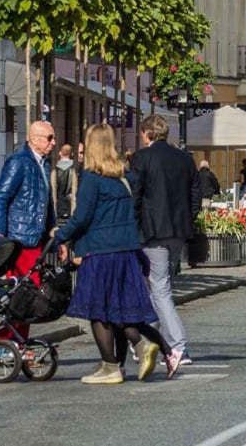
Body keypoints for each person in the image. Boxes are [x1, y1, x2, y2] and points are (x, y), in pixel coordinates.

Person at [55, 124, 169, 385]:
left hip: (100, 252)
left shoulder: (91, 180)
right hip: (126, 251)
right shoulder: (124, 179)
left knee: (99, 309)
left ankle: (110, 366)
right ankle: (140, 346)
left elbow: (82, 218)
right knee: (119, 305)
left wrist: (59, 236)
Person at [129, 114, 198, 377]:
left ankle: (178, 346)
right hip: (177, 231)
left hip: (152, 232)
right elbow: (195, 194)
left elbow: (136, 197)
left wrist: (132, 227)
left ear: (147, 133)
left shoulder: (141, 159)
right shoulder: (184, 159)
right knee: (160, 286)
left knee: (159, 289)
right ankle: (157, 341)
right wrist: (188, 220)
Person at [0, 120, 58, 337]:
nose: (53, 142)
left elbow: (47, 203)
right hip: (19, 239)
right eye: (49, 138)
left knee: (29, 293)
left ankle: (18, 342)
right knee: (23, 294)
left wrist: (53, 235)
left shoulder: (43, 163)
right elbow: (0, 198)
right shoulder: (19, 162)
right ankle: (8, 341)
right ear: (34, 138)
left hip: (35, 238)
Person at [52, 144, 79, 220]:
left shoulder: (54, 170)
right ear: (72, 154)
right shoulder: (76, 169)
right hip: (72, 204)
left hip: (58, 205)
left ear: (60, 153)